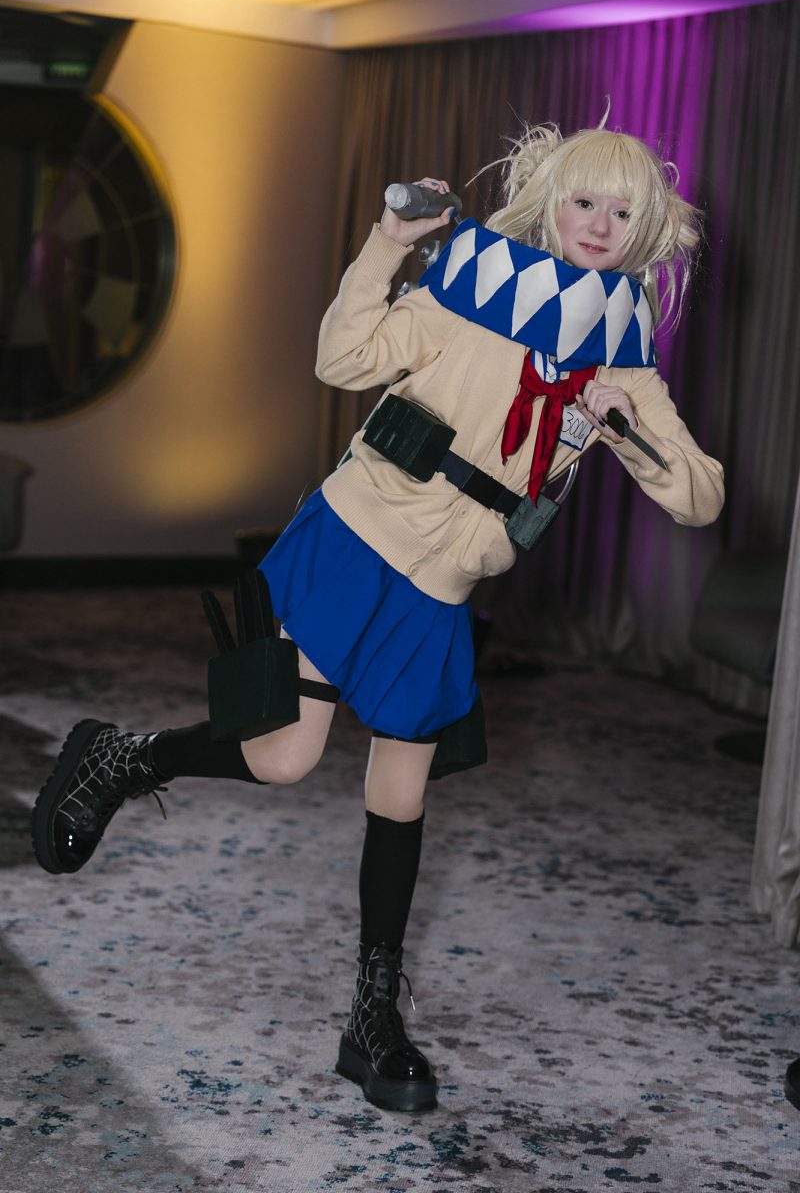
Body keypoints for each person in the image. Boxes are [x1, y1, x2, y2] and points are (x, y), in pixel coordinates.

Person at [30, 116, 724, 1115]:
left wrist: (626, 434)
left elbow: (699, 498)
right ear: (550, 202)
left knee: (401, 794)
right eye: (584, 201)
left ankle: (373, 1019)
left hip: (445, 587)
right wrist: (386, 247)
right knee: (284, 757)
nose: (600, 225)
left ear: (645, 226)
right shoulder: (474, 288)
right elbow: (342, 359)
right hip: (360, 535)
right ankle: (120, 758)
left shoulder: (623, 359)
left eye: (623, 212)